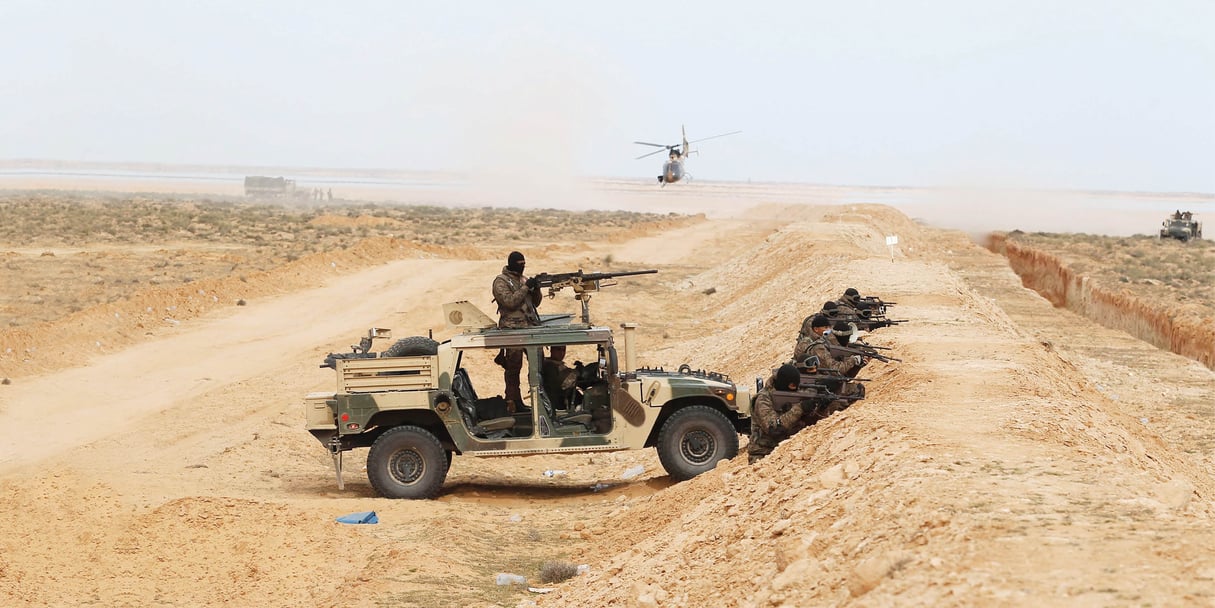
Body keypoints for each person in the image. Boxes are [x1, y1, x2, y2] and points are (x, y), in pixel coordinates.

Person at [492, 251, 542, 411]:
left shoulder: (523, 279)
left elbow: (536, 303)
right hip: (512, 330)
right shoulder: (501, 282)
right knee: (513, 369)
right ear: (511, 264)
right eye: (520, 264)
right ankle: (513, 402)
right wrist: (526, 288)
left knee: (538, 366)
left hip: (530, 328)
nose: (522, 267)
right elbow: (510, 302)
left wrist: (536, 289)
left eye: (524, 264)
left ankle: (540, 401)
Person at [748, 364, 807, 464]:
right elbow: (773, 428)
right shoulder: (763, 399)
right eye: (792, 386)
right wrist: (800, 408)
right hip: (763, 454)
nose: (795, 389)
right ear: (784, 383)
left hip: (787, 451)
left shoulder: (791, 394)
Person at [541, 345, 578, 411]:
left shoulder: (556, 364)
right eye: (558, 349)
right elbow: (563, 383)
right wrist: (576, 374)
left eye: (563, 350)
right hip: (557, 402)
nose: (561, 353)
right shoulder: (549, 366)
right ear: (552, 350)